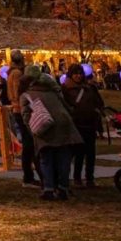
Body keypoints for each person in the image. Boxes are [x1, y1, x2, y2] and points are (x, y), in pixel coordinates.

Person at [21, 70, 84, 200]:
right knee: (63, 159)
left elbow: (26, 116)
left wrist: (33, 130)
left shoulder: (27, 95)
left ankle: (49, 188)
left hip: (45, 127)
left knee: (46, 159)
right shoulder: (53, 92)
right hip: (64, 126)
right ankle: (63, 187)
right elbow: (67, 107)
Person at [8, 49, 41, 188]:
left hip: (19, 108)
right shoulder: (17, 74)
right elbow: (18, 92)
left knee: (29, 143)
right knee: (28, 144)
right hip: (20, 109)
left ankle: (30, 175)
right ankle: (28, 176)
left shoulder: (12, 73)